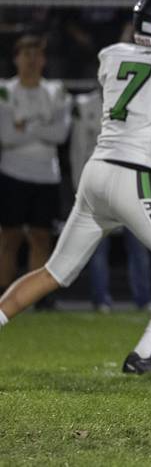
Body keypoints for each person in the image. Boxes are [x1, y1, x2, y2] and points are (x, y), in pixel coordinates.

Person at [0, 0, 151, 374]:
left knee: (54, 271)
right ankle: (144, 355)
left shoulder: (113, 55)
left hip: (96, 172)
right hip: (133, 177)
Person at [0, 35, 72, 308]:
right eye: (25, 54)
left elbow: (60, 133)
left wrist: (25, 126)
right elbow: (6, 136)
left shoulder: (57, 90)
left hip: (46, 175)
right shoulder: (4, 90)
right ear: (16, 58)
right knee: (9, 237)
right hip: (11, 173)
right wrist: (42, 125)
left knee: (41, 237)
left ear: (43, 59)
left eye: (36, 54)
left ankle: (38, 299)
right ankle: (5, 295)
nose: (31, 60)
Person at [71, 89, 151, 312]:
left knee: (139, 244)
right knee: (98, 246)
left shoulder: (138, 106)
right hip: (97, 183)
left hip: (129, 182)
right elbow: (78, 150)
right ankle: (101, 299)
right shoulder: (85, 104)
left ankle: (144, 298)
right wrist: (80, 187)